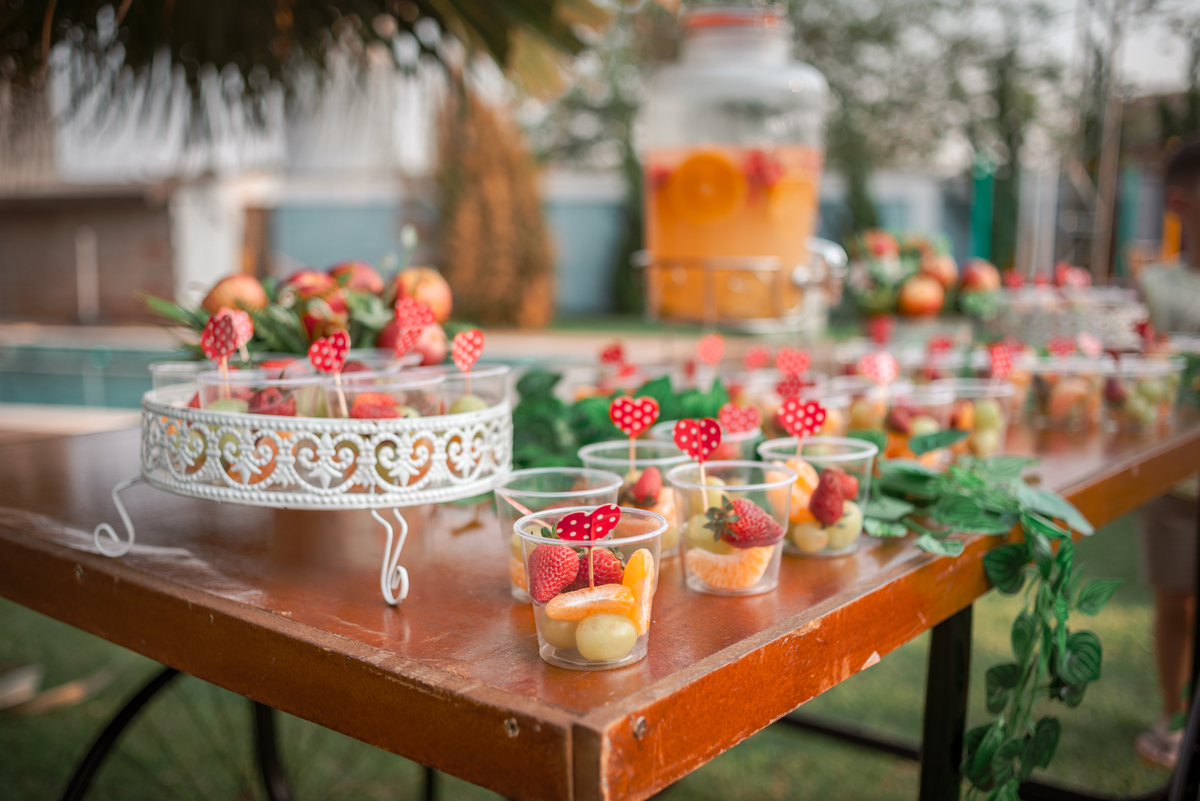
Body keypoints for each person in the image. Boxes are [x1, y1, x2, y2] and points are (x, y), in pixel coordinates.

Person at [1134, 134, 1200, 769]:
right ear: (1181, 202)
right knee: (1176, 597)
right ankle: (1172, 713)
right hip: (1175, 484)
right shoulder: (1156, 286)